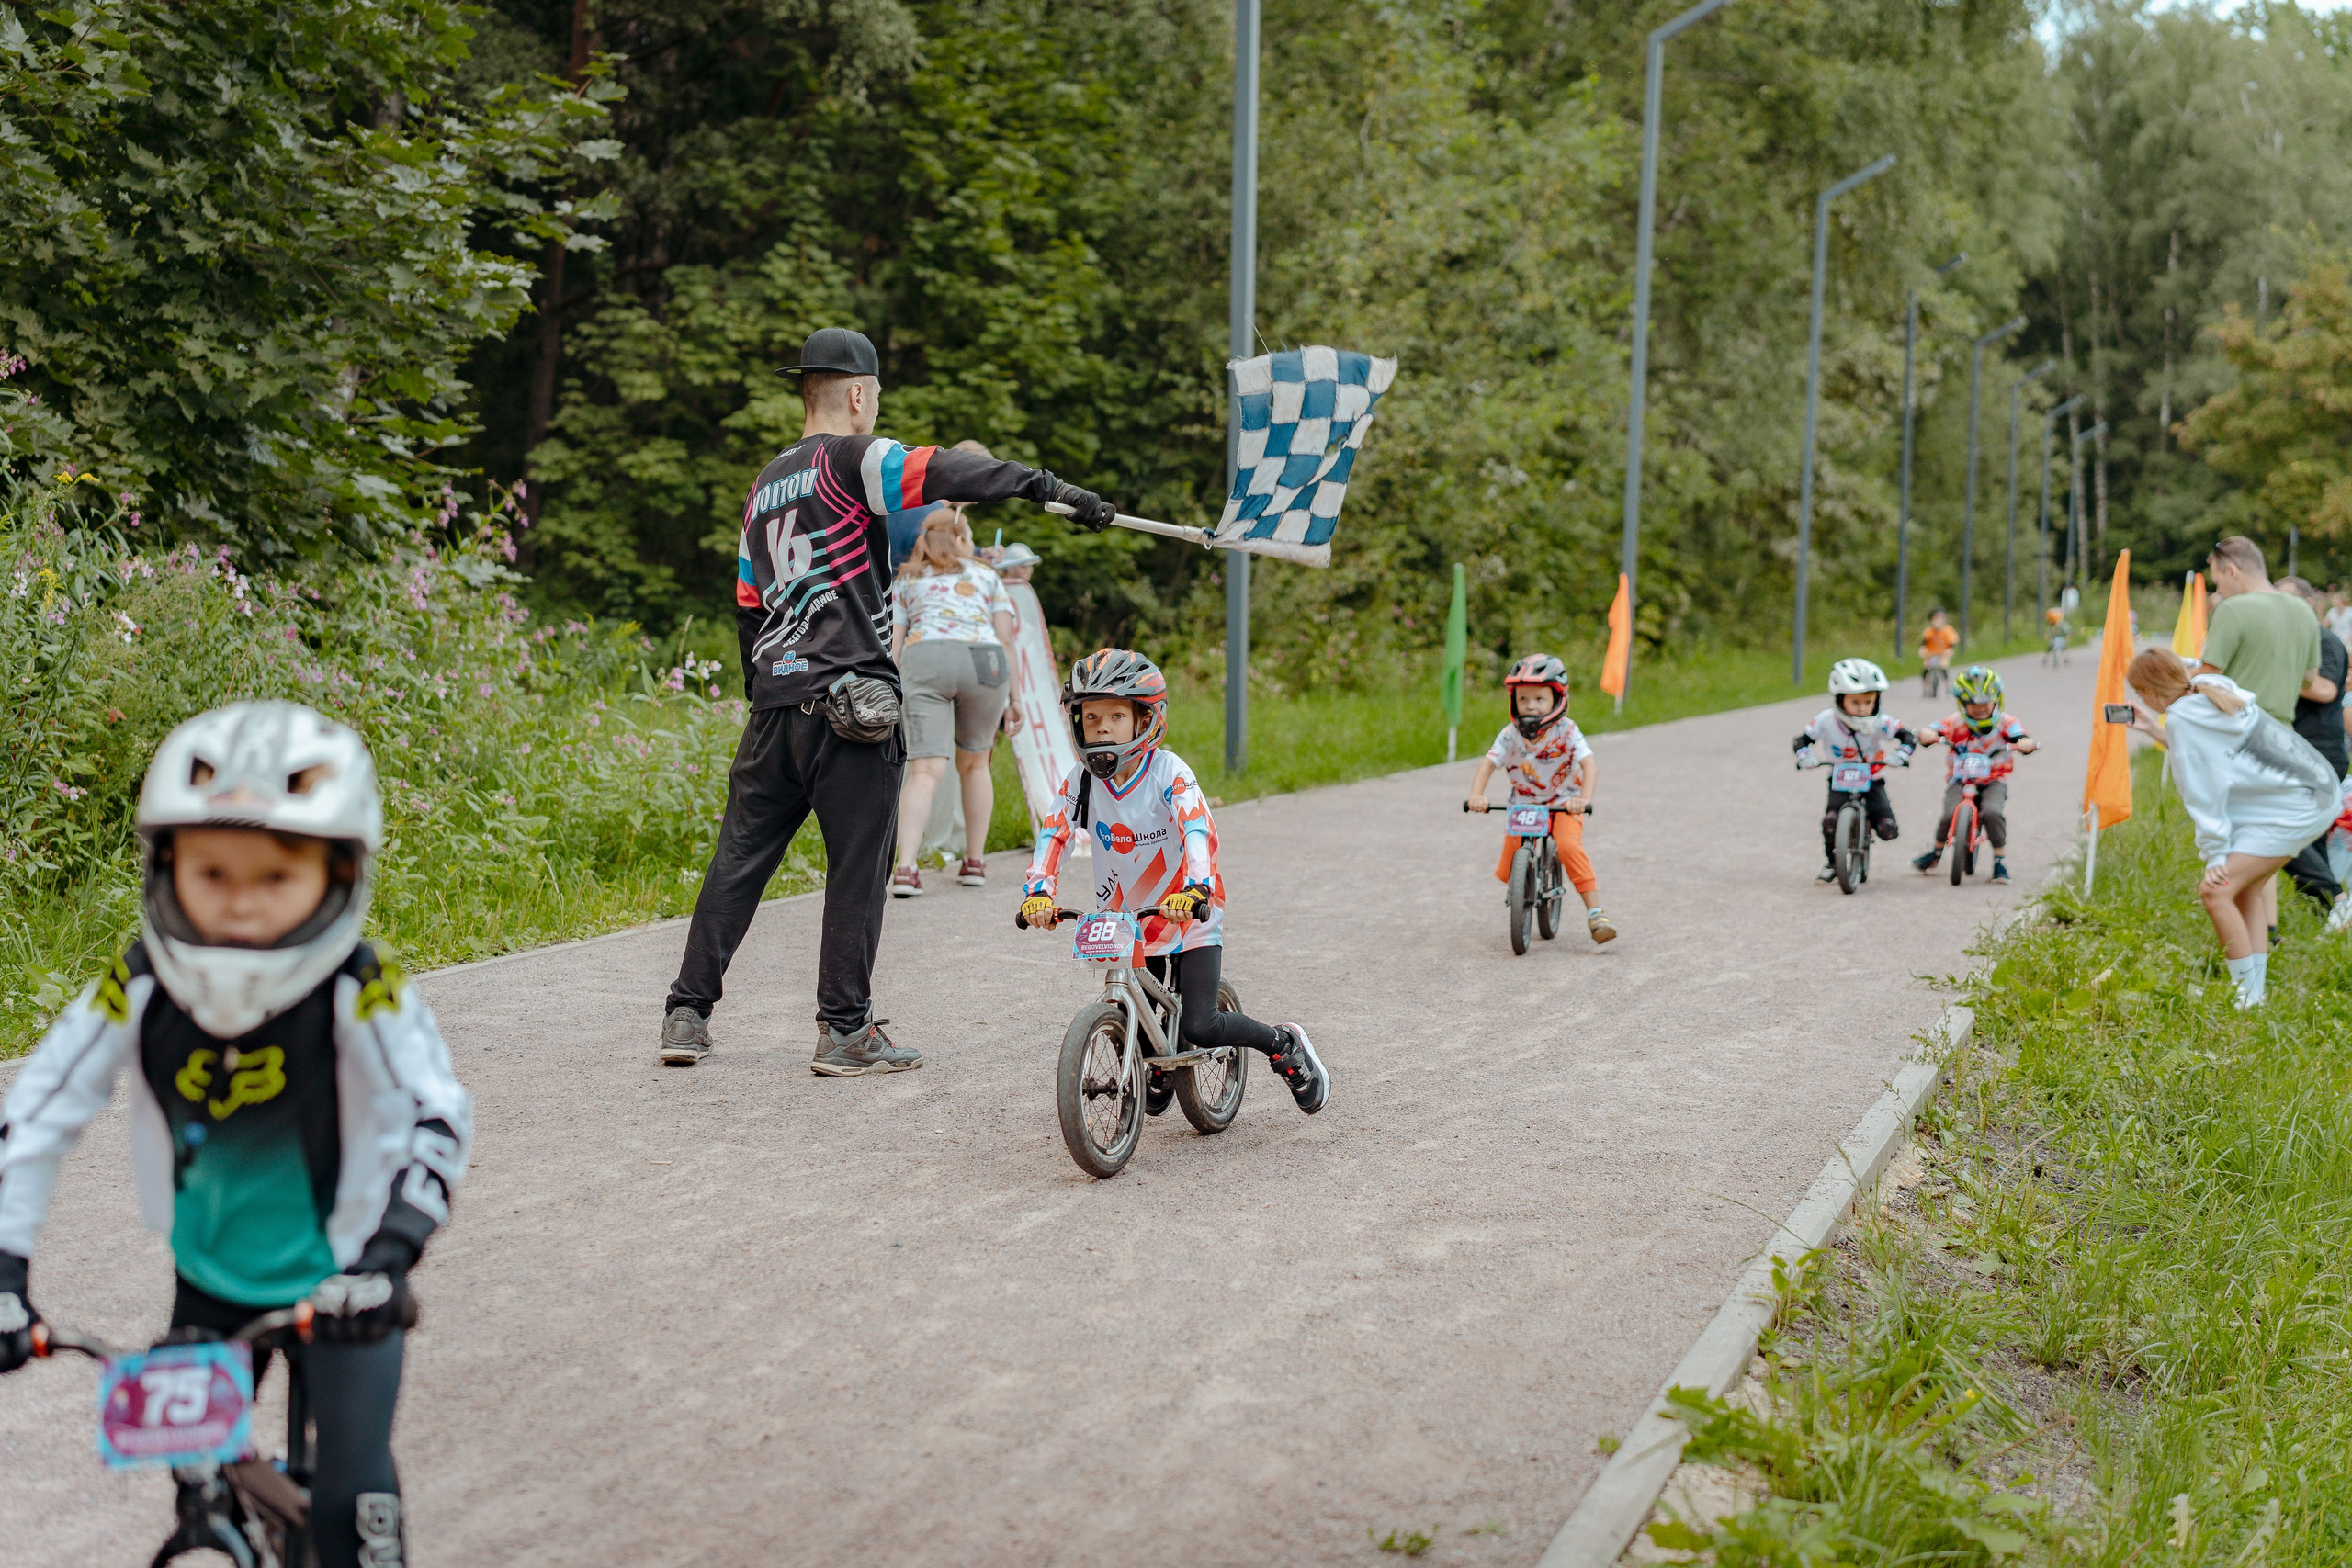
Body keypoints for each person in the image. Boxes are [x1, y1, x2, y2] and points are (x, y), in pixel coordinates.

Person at [0, 702, 471, 1568]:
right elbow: (31, 1116)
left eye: (274, 877)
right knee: (199, 1481)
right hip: (212, 1283)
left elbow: (433, 1115)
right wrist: (3, 1270)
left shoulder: (361, 991)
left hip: (347, 1291)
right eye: (211, 874)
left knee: (353, 1501)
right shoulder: (136, 985)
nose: (241, 906)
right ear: (165, 867)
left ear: (337, 875)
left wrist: (389, 1257)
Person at [662, 326, 1117, 1075]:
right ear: (856, 393)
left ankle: (687, 1014)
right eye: (874, 397)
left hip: (777, 703)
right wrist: (1044, 486)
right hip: (854, 707)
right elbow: (944, 470)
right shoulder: (854, 458)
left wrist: (766, 684)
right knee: (858, 868)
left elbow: (748, 600)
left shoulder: (762, 485)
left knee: (737, 860)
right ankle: (844, 1028)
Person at [1016, 649, 1329, 1115]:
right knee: (1129, 1013)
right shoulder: (1080, 783)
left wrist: (1197, 888)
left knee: (1201, 1025)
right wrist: (1038, 893)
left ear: (1145, 719)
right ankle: (1157, 1065)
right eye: (1091, 715)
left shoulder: (1169, 773)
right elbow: (1053, 834)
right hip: (1128, 917)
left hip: (1188, 909)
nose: (1101, 726)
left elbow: (1196, 830)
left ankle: (1283, 1045)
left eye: (1116, 715)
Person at [2123, 649, 2337, 1007]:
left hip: (2294, 807)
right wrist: (2150, 726)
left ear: (2150, 691)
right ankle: (2254, 997)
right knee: (2245, 891)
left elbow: (2204, 792)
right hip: (2311, 791)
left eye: (2140, 691)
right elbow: (2208, 750)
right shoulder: (2208, 686)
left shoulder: (2182, 717)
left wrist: (2215, 855)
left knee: (2216, 892)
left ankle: (2247, 998)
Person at [889, 507, 1021, 896]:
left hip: (926, 656)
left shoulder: (907, 579)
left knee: (925, 771)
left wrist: (890, 685)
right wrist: (1015, 698)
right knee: (976, 765)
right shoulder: (987, 576)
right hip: (985, 661)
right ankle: (975, 863)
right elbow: (1007, 639)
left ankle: (906, 868)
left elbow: (895, 640)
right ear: (963, 539)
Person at [1462, 654, 1617, 943]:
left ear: (1557, 699)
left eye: (1539, 699)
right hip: (1524, 804)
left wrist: (1582, 799)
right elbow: (1488, 763)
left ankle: (1595, 913)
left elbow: (1588, 764)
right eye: (1523, 699)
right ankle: (1523, 889)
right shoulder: (1511, 735)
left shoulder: (1567, 731)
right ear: (1514, 702)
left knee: (1569, 846)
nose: (1530, 705)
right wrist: (1476, 795)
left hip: (1564, 802)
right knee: (1510, 863)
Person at [1909, 664, 2039, 885]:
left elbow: (2019, 736)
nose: (1979, 709)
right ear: (1962, 704)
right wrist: (1927, 734)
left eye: (1984, 703)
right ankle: (1936, 852)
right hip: (1961, 779)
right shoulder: (1954, 722)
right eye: (1972, 704)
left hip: (1993, 780)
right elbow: (1934, 729)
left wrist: (2024, 743)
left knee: (1992, 812)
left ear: (1996, 699)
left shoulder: (2006, 723)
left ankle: (1999, 861)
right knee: (1949, 813)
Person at [1792, 658, 1917, 883]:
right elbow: (1801, 741)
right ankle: (1832, 862)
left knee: (1888, 827)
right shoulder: (1825, 720)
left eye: (1868, 702)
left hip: (1873, 776)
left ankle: (1873, 825)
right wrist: (1805, 756)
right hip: (1839, 778)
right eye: (1856, 702)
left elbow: (1908, 737)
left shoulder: (1882, 721)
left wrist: (1902, 754)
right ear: (1841, 700)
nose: (1862, 708)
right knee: (1830, 822)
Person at [2273, 577, 2347, 911]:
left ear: (2307, 605)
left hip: (2320, 752)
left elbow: (2326, 691)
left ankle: (2337, 901)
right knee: (2307, 841)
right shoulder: (2284, 642)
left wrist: (2269, 676)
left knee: (2290, 833)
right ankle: (2329, 916)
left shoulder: (2324, 640)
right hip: (2291, 751)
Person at [2195, 536, 2322, 725]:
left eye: (2217, 582)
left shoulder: (2232, 608)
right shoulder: (2304, 610)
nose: (2218, 591)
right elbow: (2309, 679)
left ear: (2231, 571)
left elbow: (2209, 675)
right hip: (2282, 732)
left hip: (2236, 730)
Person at [1918, 608, 1958, 696]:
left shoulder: (1947, 630)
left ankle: (1947, 685)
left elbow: (1952, 642)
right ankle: (1925, 686)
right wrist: (1923, 649)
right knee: (1926, 667)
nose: (1937, 622)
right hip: (1931, 654)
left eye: (1940, 619)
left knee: (1943, 666)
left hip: (1942, 653)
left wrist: (1949, 650)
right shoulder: (1929, 631)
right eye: (1935, 619)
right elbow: (1924, 642)